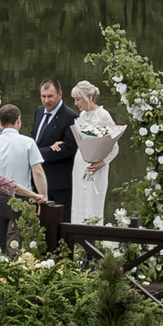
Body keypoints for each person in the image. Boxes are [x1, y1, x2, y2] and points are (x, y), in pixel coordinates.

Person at [0, 104, 45, 253]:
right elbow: (38, 173)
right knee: (25, 243)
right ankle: (23, 269)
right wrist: (42, 197)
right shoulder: (28, 142)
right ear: (18, 120)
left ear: (0, 122)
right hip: (22, 198)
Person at [68, 81, 119, 224]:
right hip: (81, 163)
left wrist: (101, 163)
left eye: (78, 99)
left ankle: (94, 237)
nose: (76, 103)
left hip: (97, 166)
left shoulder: (103, 115)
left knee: (93, 201)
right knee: (79, 200)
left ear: (89, 97)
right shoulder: (82, 115)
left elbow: (115, 147)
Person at [31, 79, 78, 206]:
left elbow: (69, 148)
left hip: (58, 184)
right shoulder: (39, 111)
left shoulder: (70, 117)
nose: (46, 100)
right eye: (43, 96)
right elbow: (35, 139)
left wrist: (36, 154)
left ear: (60, 94)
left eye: (50, 96)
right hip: (37, 181)